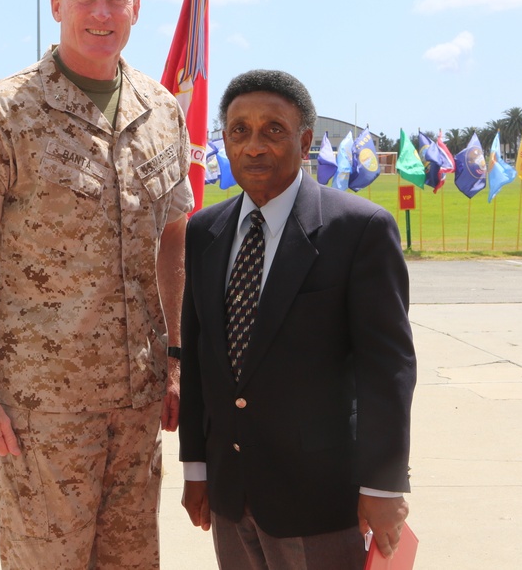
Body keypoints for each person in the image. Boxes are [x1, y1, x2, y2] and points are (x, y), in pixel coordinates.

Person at [0, 0, 192, 569]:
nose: (101, 13)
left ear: (135, 9)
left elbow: (176, 238)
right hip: (39, 410)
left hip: (136, 400)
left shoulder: (161, 113)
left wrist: (177, 358)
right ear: (56, 4)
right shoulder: (2, 115)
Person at [178, 69, 416, 569]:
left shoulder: (360, 230)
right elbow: (200, 360)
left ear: (305, 140)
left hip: (321, 499)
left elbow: (387, 370)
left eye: (273, 130)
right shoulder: (204, 231)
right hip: (231, 493)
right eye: (239, 131)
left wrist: (383, 483)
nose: (254, 146)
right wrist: (196, 467)